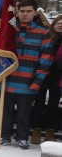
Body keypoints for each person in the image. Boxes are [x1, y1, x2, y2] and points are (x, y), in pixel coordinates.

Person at [0, 0, 55, 149]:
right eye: (22, 11)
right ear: (16, 12)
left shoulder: (44, 34)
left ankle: (22, 137)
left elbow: (46, 62)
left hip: (27, 81)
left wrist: (37, 82)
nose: (24, 14)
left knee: (24, 113)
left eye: (28, 11)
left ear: (35, 12)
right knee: (6, 111)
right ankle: (4, 136)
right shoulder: (10, 31)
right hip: (8, 79)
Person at [29, 14, 62, 143]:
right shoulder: (47, 37)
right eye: (58, 23)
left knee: (54, 104)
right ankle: (36, 129)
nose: (60, 25)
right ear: (53, 25)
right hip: (43, 74)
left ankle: (50, 130)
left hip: (58, 77)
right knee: (39, 103)